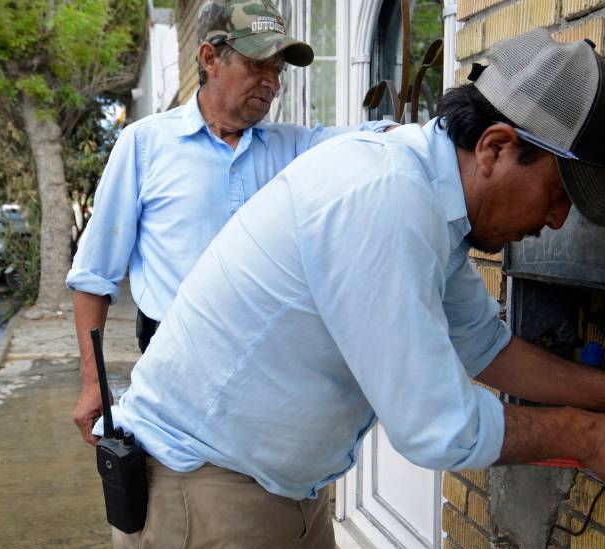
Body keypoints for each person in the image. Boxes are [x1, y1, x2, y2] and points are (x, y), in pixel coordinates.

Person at [98, 29, 605, 549]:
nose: (556, 221)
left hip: (282, 495)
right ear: (497, 147)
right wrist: (586, 437)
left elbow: (486, 348)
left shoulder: (431, 201)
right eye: (558, 193)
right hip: (197, 497)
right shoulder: (382, 196)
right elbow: (437, 428)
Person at [67, 0, 396, 446]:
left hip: (272, 371)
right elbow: (93, 276)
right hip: (177, 369)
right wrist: (92, 384)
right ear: (209, 58)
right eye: (259, 64)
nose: (273, 83)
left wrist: (436, 135)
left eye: (278, 70)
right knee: (182, 498)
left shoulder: (292, 148)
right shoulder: (145, 145)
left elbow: (368, 139)